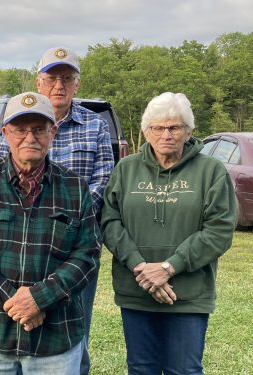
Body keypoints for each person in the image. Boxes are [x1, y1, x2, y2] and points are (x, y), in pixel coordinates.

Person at [0, 92, 100, 374]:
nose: (29, 137)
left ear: (52, 132)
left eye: (38, 129)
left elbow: (87, 255)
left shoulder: (74, 188)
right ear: (6, 133)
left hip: (56, 337)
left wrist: (39, 298)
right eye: (20, 129)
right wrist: (14, 300)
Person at [0, 46, 114, 374]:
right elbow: (2, 182)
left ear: (77, 84)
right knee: (20, 321)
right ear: (39, 82)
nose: (58, 86)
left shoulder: (95, 126)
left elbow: (102, 181)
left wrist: (63, 227)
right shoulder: (14, 124)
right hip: (22, 249)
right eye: (51, 78)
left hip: (76, 250)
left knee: (76, 330)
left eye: (67, 78)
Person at [101, 92, 235, 374]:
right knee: (141, 369)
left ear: (188, 131)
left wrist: (168, 267)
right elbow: (110, 221)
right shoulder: (125, 170)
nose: (166, 134)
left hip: (187, 295)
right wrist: (140, 267)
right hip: (136, 290)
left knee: (184, 370)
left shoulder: (211, 171)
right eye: (158, 127)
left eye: (174, 127)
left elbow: (219, 229)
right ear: (146, 131)